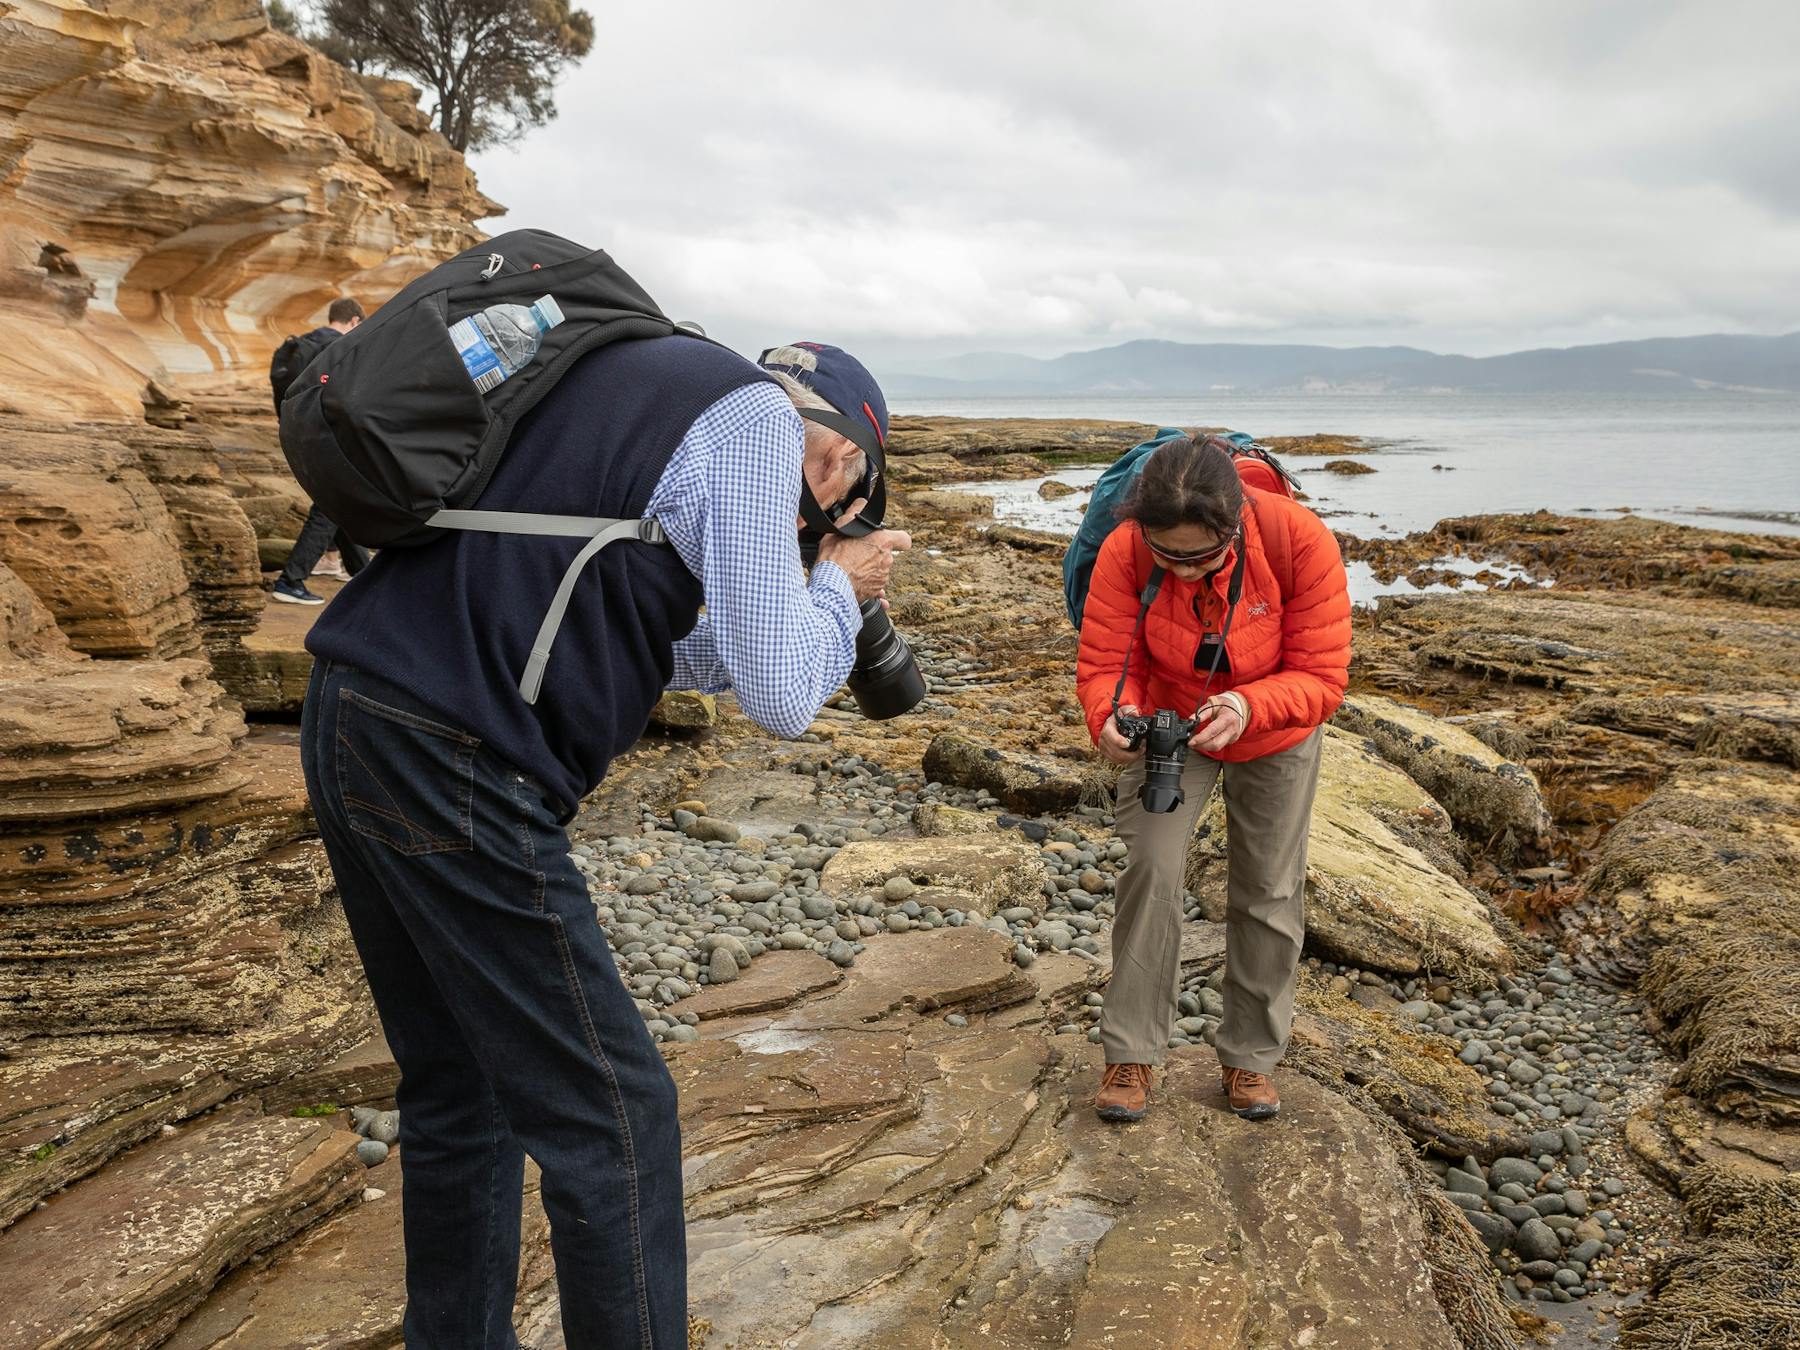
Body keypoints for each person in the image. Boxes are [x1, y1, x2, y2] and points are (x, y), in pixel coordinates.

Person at [298, 334, 909, 1349]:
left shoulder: (638, 392)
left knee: (462, 1088)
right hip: (458, 757)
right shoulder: (755, 425)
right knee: (618, 1119)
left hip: (356, 708)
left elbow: (621, 624)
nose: (812, 521)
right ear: (843, 461)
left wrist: (809, 602)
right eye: (836, 503)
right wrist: (839, 586)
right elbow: (787, 695)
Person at [1075, 434, 1351, 1124]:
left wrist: (1249, 704)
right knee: (1152, 867)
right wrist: (1112, 713)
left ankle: (1251, 1060)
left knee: (1267, 887)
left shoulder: (1298, 540)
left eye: (1201, 557)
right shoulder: (1125, 549)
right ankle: (1132, 1051)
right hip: (1169, 716)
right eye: (1168, 556)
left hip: (1275, 726)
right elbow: (1110, 657)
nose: (1185, 571)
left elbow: (1322, 675)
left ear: (1236, 525)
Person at [270, 297, 372, 604]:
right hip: (329, 439)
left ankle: (364, 577)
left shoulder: (300, 345)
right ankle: (290, 581)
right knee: (330, 509)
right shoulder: (339, 348)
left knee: (340, 505)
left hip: (299, 436)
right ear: (354, 321)